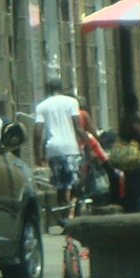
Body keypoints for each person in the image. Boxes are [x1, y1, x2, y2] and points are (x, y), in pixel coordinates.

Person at [34, 79, 88, 216]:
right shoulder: (71, 102)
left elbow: (37, 133)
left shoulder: (41, 106)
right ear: (61, 88)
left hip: (53, 149)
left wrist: (38, 155)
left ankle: (63, 212)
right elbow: (78, 127)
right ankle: (72, 213)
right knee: (74, 183)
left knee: (59, 185)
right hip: (71, 148)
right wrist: (90, 146)